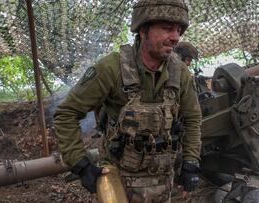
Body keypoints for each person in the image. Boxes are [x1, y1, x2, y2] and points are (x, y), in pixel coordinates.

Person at [53, 0, 202, 202]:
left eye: (178, 30)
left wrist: (191, 162)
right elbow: (66, 114)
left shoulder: (180, 72)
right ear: (143, 30)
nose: (175, 37)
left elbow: (193, 118)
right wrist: (81, 165)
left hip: (165, 179)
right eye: (167, 29)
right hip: (118, 180)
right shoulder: (111, 68)